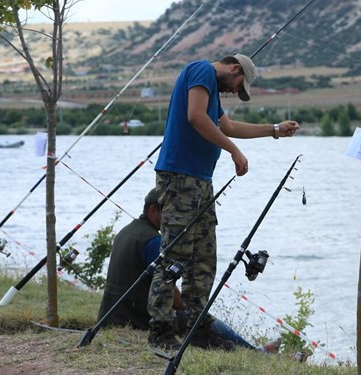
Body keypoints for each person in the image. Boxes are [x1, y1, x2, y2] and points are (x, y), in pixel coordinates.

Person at [147, 53, 299, 350]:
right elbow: (195, 117)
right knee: (174, 256)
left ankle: (198, 329)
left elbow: (227, 126)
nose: (233, 92)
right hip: (180, 177)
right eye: (238, 85)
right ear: (234, 68)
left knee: (203, 258)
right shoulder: (202, 70)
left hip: (200, 181)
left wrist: (274, 131)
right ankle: (160, 330)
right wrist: (234, 152)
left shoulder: (211, 90)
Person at [98, 188, 281, 353]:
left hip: (112, 311)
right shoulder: (153, 242)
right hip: (135, 315)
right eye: (169, 213)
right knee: (202, 318)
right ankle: (257, 352)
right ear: (153, 210)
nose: (174, 219)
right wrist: (192, 307)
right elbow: (168, 289)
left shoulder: (127, 231)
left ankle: (255, 350)